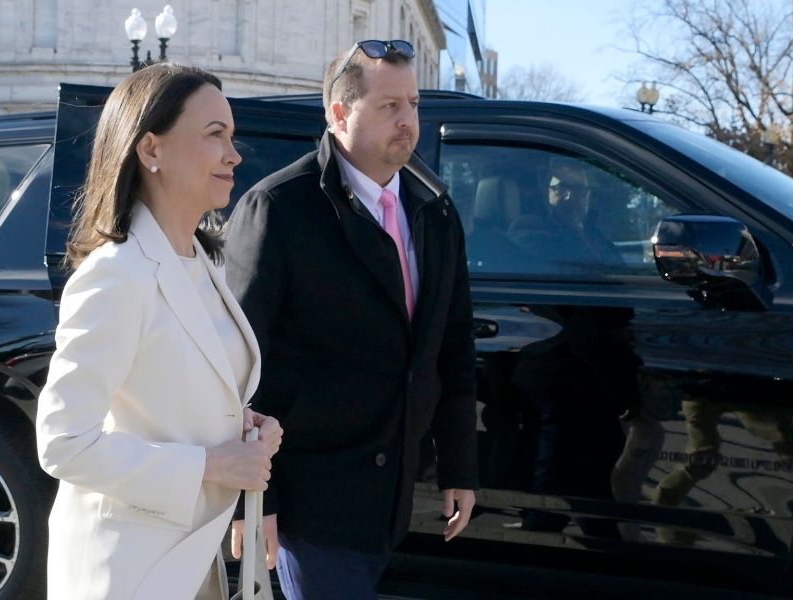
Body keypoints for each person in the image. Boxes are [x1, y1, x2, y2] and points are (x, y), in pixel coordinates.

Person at [224, 40, 479, 599]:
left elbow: (451, 345)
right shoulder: (281, 208)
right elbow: (241, 368)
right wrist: (256, 498)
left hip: (391, 497)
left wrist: (460, 465)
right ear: (338, 113)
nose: (407, 120)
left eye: (412, 103)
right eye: (389, 106)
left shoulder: (433, 208)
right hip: (311, 501)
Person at [35, 64, 282, 600]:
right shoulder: (115, 274)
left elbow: (169, 392)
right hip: (129, 572)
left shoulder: (202, 263)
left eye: (232, 137)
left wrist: (243, 424)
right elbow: (62, 443)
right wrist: (213, 465)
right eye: (215, 135)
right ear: (151, 149)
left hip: (192, 562)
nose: (234, 155)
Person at [508, 159, 622, 268]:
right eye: (560, 189)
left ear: (588, 195)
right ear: (546, 192)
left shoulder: (596, 235)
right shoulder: (529, 229)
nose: (569, 197)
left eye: (579, 189)